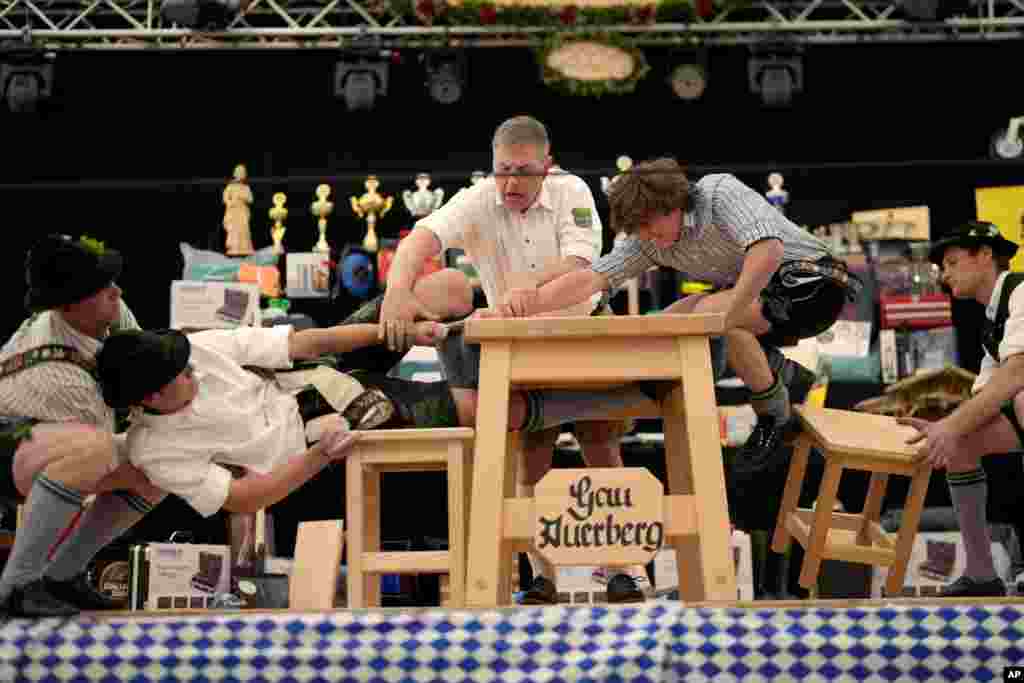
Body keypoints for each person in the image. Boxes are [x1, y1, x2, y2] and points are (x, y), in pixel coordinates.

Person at [370, 115, 653, 604]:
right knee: (532, 456)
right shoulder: (480, 196)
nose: (511, 183)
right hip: (516, 348)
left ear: (548, 166)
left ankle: (623, 570)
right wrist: (396, 291)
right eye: (502, 171)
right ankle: (540, 576)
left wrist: (533, 286)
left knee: (602, 447)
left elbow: (582, 262)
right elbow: (422, 238)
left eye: (523, 171)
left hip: (581, 333)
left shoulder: (574, 191)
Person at [495, 157, 862, 475]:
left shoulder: (717, 192)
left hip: (817, 281)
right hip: (764, 299)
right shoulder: (650, 240)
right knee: (667, 325)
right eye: (638, 232)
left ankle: (774, 414)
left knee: (702, 314)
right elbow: (592, 278)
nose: (646, 238)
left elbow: (767, 250)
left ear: (671, 206)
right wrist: (530, 302)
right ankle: (779, 373)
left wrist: (724, 318)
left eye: (649, 227)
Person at [93, 320, 647, 528]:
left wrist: (393, 331)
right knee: (488, 411)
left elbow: (307, 343)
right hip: (316, 454)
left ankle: (609, 381)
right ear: (151, 397)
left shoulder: (203, 350)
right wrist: (318, 456)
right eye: (179, 372)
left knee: (441, 295)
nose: (192, 366)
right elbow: (244, 497)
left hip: (327, 386)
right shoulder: (153, 450)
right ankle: (628, 398)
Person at [0, 234, 165, 617]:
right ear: (72, 305)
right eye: (103, 287)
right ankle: (18, 585)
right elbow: (89, 469)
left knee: (164, 461)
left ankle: (64, 575)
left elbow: (146, 365)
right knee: (96, 449)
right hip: (10, 442)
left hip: (42, 442)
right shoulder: (58, 378)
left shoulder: (109, 311)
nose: (117, 291)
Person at [897, 220, 1023, 597]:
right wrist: (947, 432)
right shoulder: (993, 316)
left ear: (985, 255)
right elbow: (986, 396)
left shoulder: (1022, 293)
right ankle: (982, 574)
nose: (944, 274)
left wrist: (949, 426)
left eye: (951, 263)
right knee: (963, 443)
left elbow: (1017, 373)